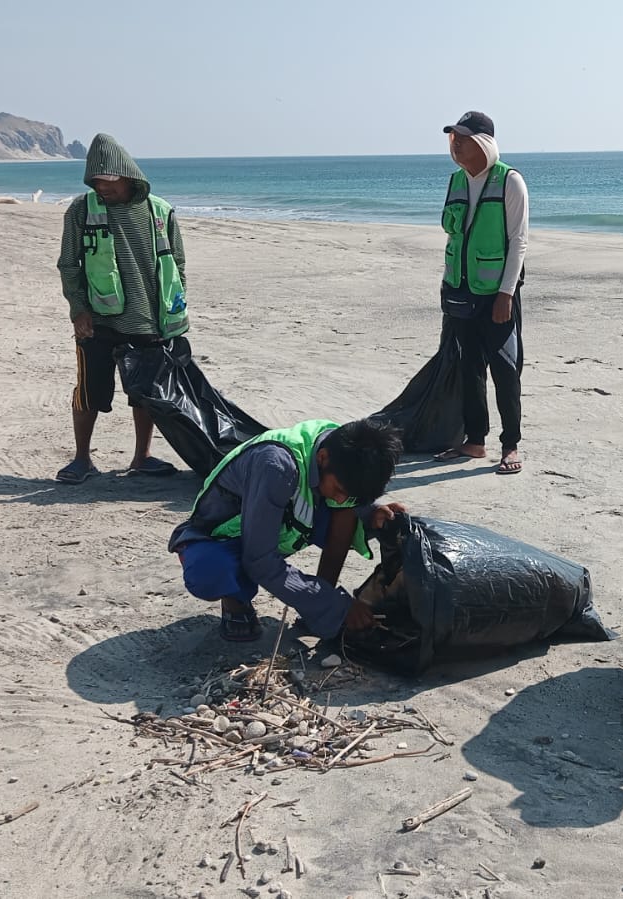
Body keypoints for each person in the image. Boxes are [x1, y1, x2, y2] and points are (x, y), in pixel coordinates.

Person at [169, 418, 406, 642]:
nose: (343, 498)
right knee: (209, 572)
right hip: (222, 534)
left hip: (283, 519)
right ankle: (236, 599)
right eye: (340, 488)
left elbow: (348, 497)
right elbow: (260, 561)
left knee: (349, 512)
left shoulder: (339, 443)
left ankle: (318, 603)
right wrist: (336, 605)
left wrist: (371, 509)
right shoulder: (276, 466)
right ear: (322, 458)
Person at [55, 133, 189, 483]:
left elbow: (178, 265)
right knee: (89, 390)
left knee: (144, 394)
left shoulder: (159, 212)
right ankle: (82, 459)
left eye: (107, 179)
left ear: (128, 175)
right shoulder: (81, 210)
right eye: (95, 180)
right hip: (97, 320)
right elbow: (68, 265)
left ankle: (142, 458)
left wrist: (174, 314)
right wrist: (78, 309)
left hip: (149, 320)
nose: (101, 186)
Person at [430, 111, 530, 475]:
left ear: (483, 143)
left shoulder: (510, 181)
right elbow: (454, 236)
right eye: (453, 138)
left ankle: (511, 445)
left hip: (496, 294)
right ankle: (474, 441)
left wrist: (506, 293)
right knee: (468, 367)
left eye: (463, 139)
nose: (456, 145)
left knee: (505, 370)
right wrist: (446, 284)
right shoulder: (456, 181)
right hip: (459, 290)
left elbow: (519, 241)